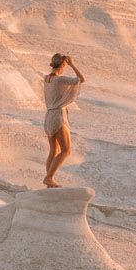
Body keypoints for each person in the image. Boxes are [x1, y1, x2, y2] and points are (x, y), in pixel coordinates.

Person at [41, 52, 84, 187]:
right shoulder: (59, 80)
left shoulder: (46, 78)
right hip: (58, 116)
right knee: (66, 150)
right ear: (63, 65)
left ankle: (50, 181)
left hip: (48, 116)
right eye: (65, 65)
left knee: (54, 150)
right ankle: (49, 178)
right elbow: (81, 79)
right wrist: (73, 64)